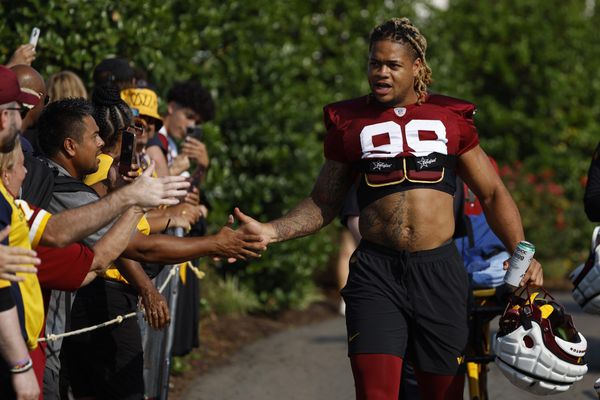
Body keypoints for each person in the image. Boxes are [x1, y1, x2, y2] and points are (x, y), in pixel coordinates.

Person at [235, 18, 543, 400]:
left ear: (417, 68)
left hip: (439, 272)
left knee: (443, 393)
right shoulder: (349, 123)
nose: (380, 72)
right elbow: (323, 201)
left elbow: (493, 193)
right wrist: (271, 230)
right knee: (375, 393)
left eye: (392, 65)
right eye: (374, 63)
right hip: (376, 273)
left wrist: (521, 251)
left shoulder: (450, 119)